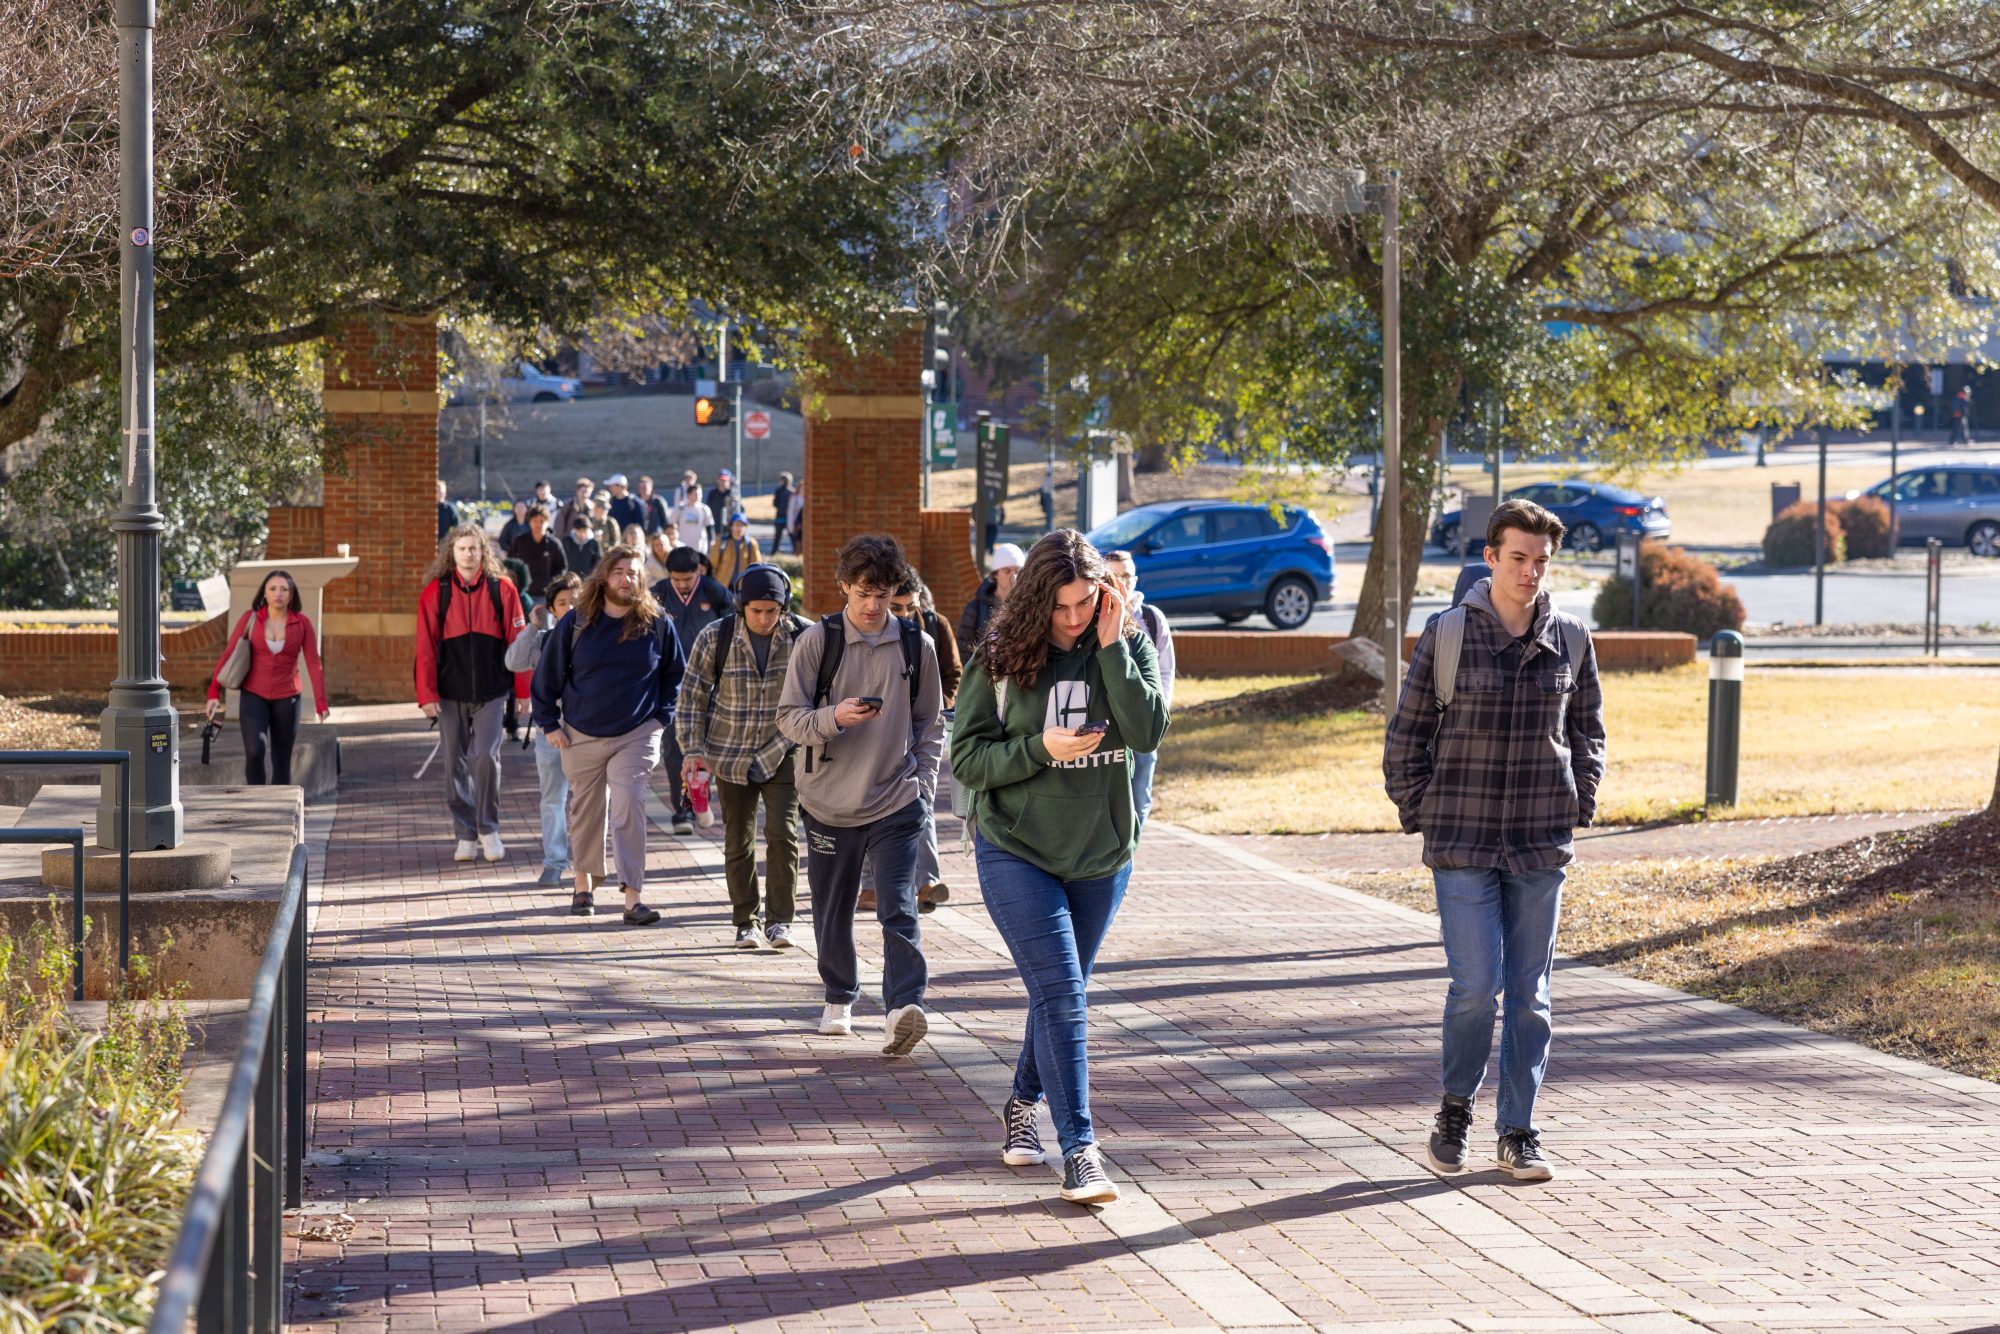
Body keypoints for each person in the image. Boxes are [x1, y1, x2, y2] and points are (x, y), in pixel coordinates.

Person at [1383, 498, 1607, 1185]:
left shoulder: (1570, 638)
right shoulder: (1449, 634)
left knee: (1531, 995)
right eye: (1518, 558)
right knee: (1476, 988)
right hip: (1464, 843)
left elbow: (1588, 730)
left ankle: (1519, 1130)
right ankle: (1455, 1108)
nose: (1530, 572)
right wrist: (1423, 808)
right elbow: (1407, 736)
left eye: (1541, 561)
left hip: (1540, 844)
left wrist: (1581, 800)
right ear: (1490, 557)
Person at [949, 530, 1168, 1204]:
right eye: (1062, 608)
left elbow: (1148, 731)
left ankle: (1020, 1101)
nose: (1074, 618)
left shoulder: (1122, 641)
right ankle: (1082, 1150)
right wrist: (1039, 749)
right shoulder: (1002, 653)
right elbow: (967, 760)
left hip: (1101, 853)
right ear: (1038, 599)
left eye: (1085, 604)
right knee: (1065, 997)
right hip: (1016, 848)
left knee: (1058, 992)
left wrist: (1109, 648)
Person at [776, 534, 943, 1057]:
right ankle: (839, 994)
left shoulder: (918, 645)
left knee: (899, 907)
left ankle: (902, 1008)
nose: (873, 605)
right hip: (828, 803)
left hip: (896, 798)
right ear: (844, 586)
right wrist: (834, 718)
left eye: (885, 593)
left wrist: (924, 785)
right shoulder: (816, 643)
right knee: (833, 908)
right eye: (863, 593)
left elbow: (930, 724)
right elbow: (788, 720)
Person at [531, 546, 685, 925]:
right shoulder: (578, 622)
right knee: (586, 809)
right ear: (604, 577)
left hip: (637, 731)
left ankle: (633, 898)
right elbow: (547, 677)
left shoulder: (658, 622)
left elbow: (674, 675)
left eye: (633, 572)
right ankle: (583, 885)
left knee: (628, 804)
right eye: (618, 571)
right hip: (580, 732)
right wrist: (550, 723)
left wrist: (661, 718)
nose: (626, 578)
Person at [677, 562, 806, 949]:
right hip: (729, 753)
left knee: (783, 833)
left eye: (772, 611)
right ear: (740, 606)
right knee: (738, 839)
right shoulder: (715, 636)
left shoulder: (805, 635)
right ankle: (745, 921)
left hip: (783, 747)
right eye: (756, 611)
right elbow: (692, 696)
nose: (764, 618)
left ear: (783, 607)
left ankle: (780, 920)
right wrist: (691, 751)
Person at [415, 522, 531, 863]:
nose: (468, 553)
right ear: (451, 553)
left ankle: (488, 828)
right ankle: (465, 834)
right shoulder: (435, 593)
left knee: (485, 758)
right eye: (462, 548)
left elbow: (520, 645)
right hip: (450, 693)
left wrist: (523, 692)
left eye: (474, 548)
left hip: (493, 692)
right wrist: (426, 694)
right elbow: (424, 647)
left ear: (483, 552)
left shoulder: (503, 590)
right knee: (455, 764)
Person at [204, 569, 330, 785]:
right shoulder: (250, 619)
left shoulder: (302, 623)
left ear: (291, 595)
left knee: (281, 759)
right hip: (254, 694)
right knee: (255, 750)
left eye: (284, 589)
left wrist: (321, 703)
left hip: (288, 697)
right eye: (273, 588)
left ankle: (281, 810)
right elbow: (229, 653)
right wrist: (213, 692)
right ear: (264, 593)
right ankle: (257, 800)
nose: (278, 593)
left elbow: (313, 663)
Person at [506, 571, 584, 887]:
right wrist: (533, 626)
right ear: (552, 609)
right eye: (562, 603)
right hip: (548, 731)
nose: (569, 608)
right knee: (552, 797)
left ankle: (588, 861)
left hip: (587, 731)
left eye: (575, 602)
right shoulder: (543, 641)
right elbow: (514, 662)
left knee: (588, 799)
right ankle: (554, 861)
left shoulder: (595, 639)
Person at [889, 573, 960, 914]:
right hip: (882, 731)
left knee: (922, 800)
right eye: (896, 607)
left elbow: (954, 672)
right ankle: (873, 885)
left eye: (910, 607)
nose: (904, 614)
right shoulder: (874, 631)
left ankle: (927, 883)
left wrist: (937, 703)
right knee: (877, 803)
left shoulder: (935, 627)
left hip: (924, 728)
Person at [654, 546, 733, 833]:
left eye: (687, 579)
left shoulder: (714, 592)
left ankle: (700, 797)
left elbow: (734, 628)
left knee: (707, 749)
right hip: (672, 687)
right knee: (676, 751)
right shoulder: (657, 595)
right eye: (676, 579)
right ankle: (683, 811)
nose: (682, 584)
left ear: (698, 570)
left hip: (711, 686)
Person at [1103, 550, 1174, 830]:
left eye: (1128, 576)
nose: (1124, 582)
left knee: (1141, 790)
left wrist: (1160, 711)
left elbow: (1166, 669)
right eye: (1116, 575)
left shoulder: (1151, 618)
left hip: (1143, 717)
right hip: (1110, 719)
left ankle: (1133, 841)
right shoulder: (1099, 615)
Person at [957, 542, 1025, 660]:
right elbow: (964, 647)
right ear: (995, 575)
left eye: (1018, 571)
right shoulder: (975, 607)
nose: (1013, 577)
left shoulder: (1028, 606)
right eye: (1007, 571)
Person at [507, 505, 567, 602]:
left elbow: (562, 568)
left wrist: (552, 583)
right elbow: (509, 564)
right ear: (529, 522)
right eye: (535, 521)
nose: (538, 524)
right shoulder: (519, 541)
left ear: (547, 523)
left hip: (545, 595)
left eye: (542, 521)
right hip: (522, 594)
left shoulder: (553, 544)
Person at [709, 512, 761, 590]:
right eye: (736, 525)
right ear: (731, 526)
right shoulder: (721, 542)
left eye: (741, 525)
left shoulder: (751, 544)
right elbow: (712, 565)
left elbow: (757, 567)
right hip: (722, 585)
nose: (739, 528)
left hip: (743, 587)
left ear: (745, 527)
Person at [673, 480, 713, 552]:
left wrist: (711, 541)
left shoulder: (704, 509)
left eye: (700, 494)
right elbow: (671, 523)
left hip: (700, 548)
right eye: (696, 494)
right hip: (683, 546)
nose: (699, 496)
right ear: (689, 494)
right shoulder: (680, 508)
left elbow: (709, 526)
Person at [562, 515, 602, 580]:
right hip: (570, 578)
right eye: (579, 531)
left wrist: (592, 573)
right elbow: (562, 558)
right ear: (575, 529)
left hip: (587, 579)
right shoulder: (567, 541)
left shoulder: (593, 542)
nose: (582, 534)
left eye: (584, 531)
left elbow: (598, 560)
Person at [771, 472, 795, 553]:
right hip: (789, 518)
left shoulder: (778, 491)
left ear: (783, 481)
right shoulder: (792, 491)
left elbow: (775, 503)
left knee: (777, 537)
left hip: (780, 517)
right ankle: (796, 551)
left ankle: (774, 553)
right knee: (792, 536)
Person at [786, 481, 805, 554]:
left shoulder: (807, 497)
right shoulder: (795, 498)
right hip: (796, 525)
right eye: (802, 488)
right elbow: (791, 513)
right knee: (797, 546)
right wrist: (791, 526)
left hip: (804, 525)